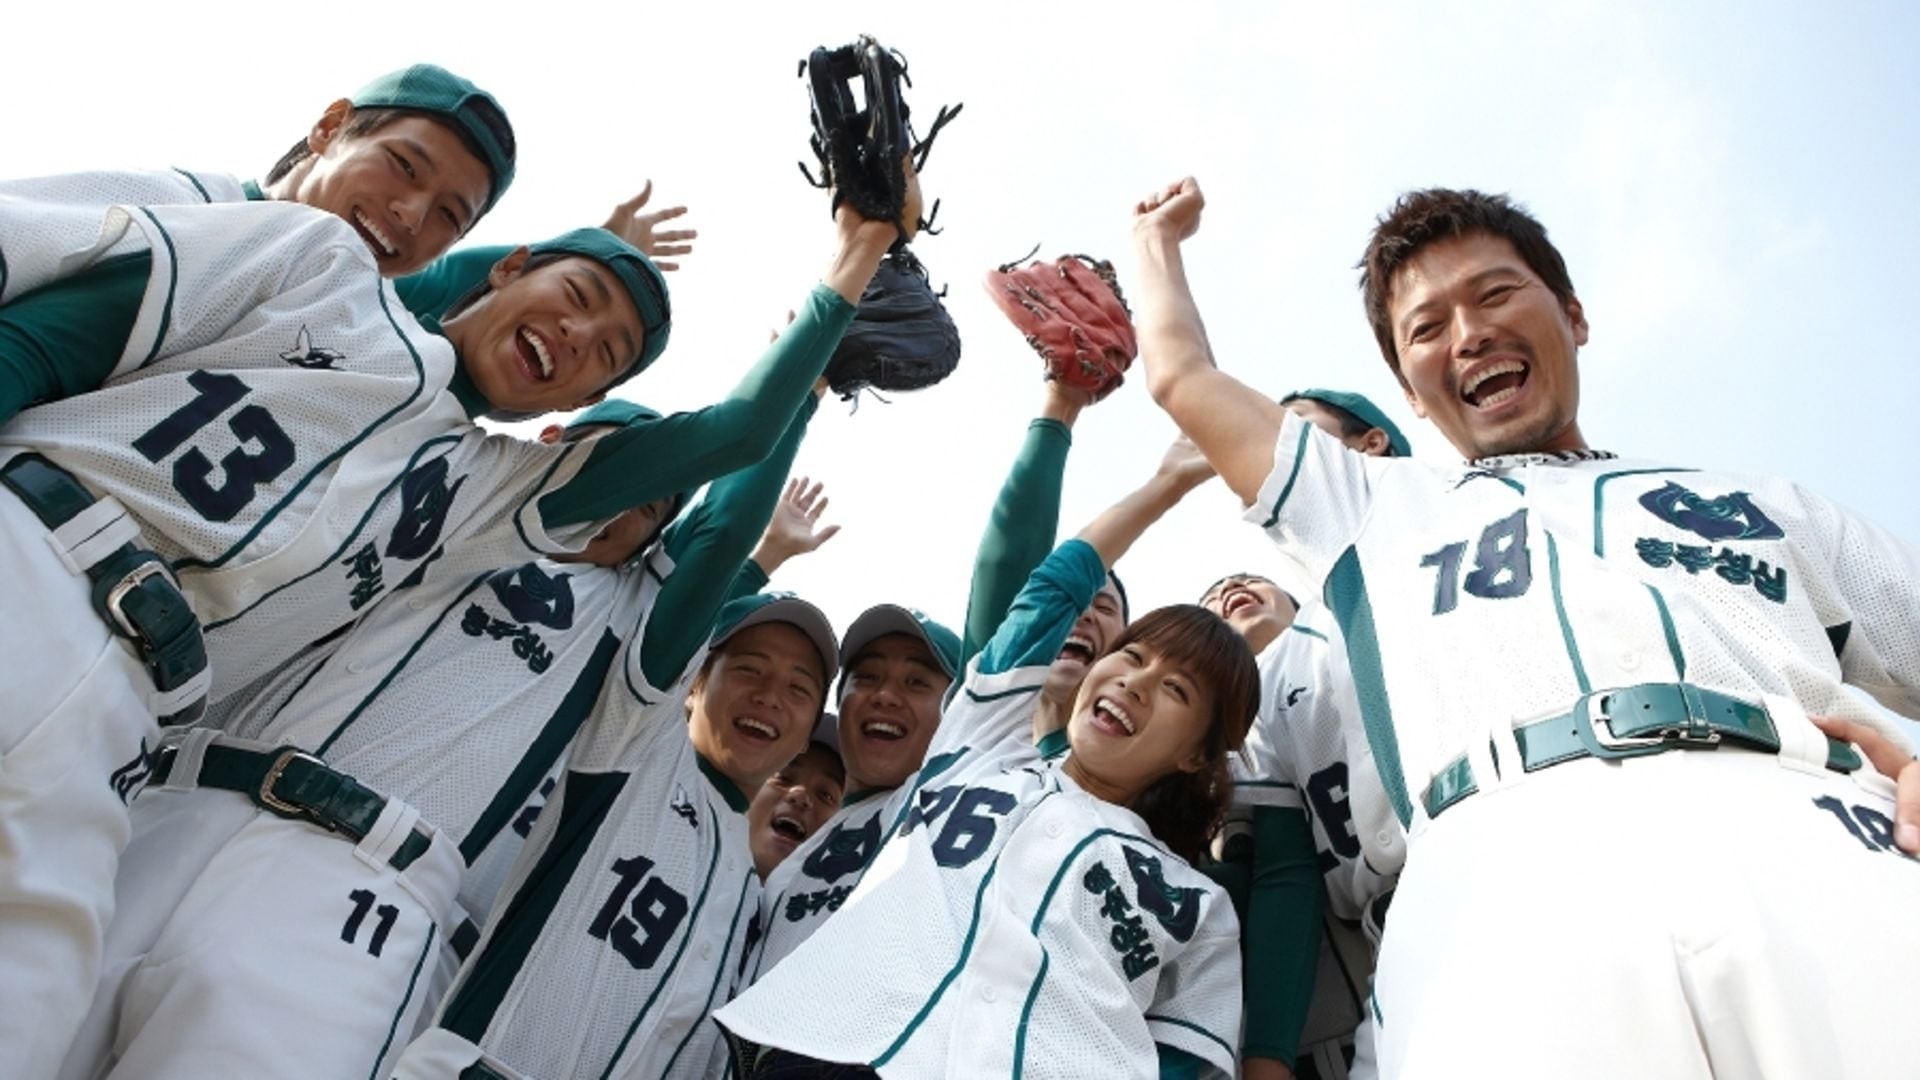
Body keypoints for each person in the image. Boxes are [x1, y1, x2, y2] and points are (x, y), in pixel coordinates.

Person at [0, 161, 909, 1077]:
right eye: (619, 459)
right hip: (178, 801)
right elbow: (418, 315)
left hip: (349, 880)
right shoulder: (435, 469)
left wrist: (829, 317)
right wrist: (587, 257)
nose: (630, 502)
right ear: (557, 435)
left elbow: (728, 464)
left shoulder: (576, 581)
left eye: (653, 502)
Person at [1131, 176, 1920, 1076]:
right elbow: (1184, 377)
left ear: (1573, 316)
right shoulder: (1366, 506)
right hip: (1494, 885)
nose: (1469, 333)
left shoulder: (1763, 503)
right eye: (1427, 328)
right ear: (1410, 393)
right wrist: (1155, 240)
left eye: (1496, 293)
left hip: (1808, 822)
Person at [714, 438, 1267, 1079]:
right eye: (1134, 656)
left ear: (1198, 753)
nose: (1135, 683)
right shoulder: (978, 750)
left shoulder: (1195, 900)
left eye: (1176, 689)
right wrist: (1165, 485)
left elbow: (1188, 1060)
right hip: (832, 1054)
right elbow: (1049, 590)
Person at [396, 590, 840, 1080]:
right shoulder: (637, 749)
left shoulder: (750, 901)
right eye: (749, 669)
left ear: (807, 732)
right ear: (693, 683)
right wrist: (764, 555)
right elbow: (686, 601)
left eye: (799, 688)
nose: (770, 696)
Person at [1201, 390, 1408, 1080]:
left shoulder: (1393, 583)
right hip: (1389, 932)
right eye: (1211, 601)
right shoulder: (1254, 706)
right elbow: (1282, 873)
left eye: (1248, 582)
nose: (1230, 590)